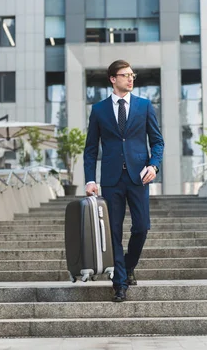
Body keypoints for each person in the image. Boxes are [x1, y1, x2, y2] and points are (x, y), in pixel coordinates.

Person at [83, 59, 164, 302]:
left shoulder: (145, 106)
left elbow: (158, 141)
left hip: (139, 177)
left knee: (142, 227)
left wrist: (154, 165)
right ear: (113, 79)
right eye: (125, 75)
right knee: (114, 231)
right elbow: (90, 149)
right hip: (111, 178)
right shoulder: (99, 110)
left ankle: (128, 266)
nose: (130, 79)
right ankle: (119, 283)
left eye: (132, 75)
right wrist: (89, 180)